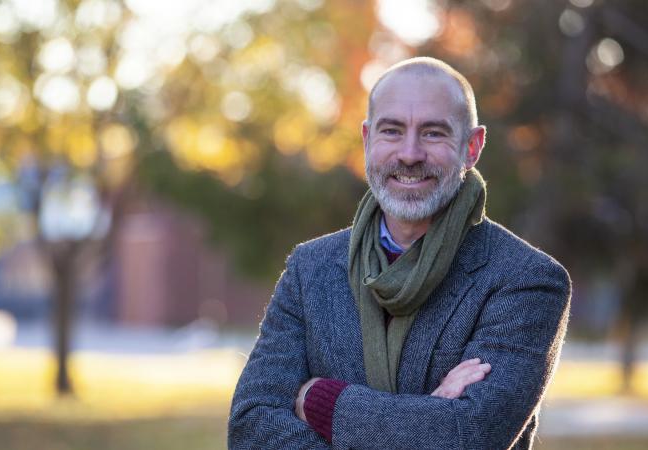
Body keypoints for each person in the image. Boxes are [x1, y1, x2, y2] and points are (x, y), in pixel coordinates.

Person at [228, 56, 571, 449]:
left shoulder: (526, 280)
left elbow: (470, 436)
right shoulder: (310, 270)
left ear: (472, 147)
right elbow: (250, 427)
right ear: (367, 139)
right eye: (392, 131)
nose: (409, 154)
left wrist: (322, 402)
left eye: (433, 133)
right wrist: (427, 416)